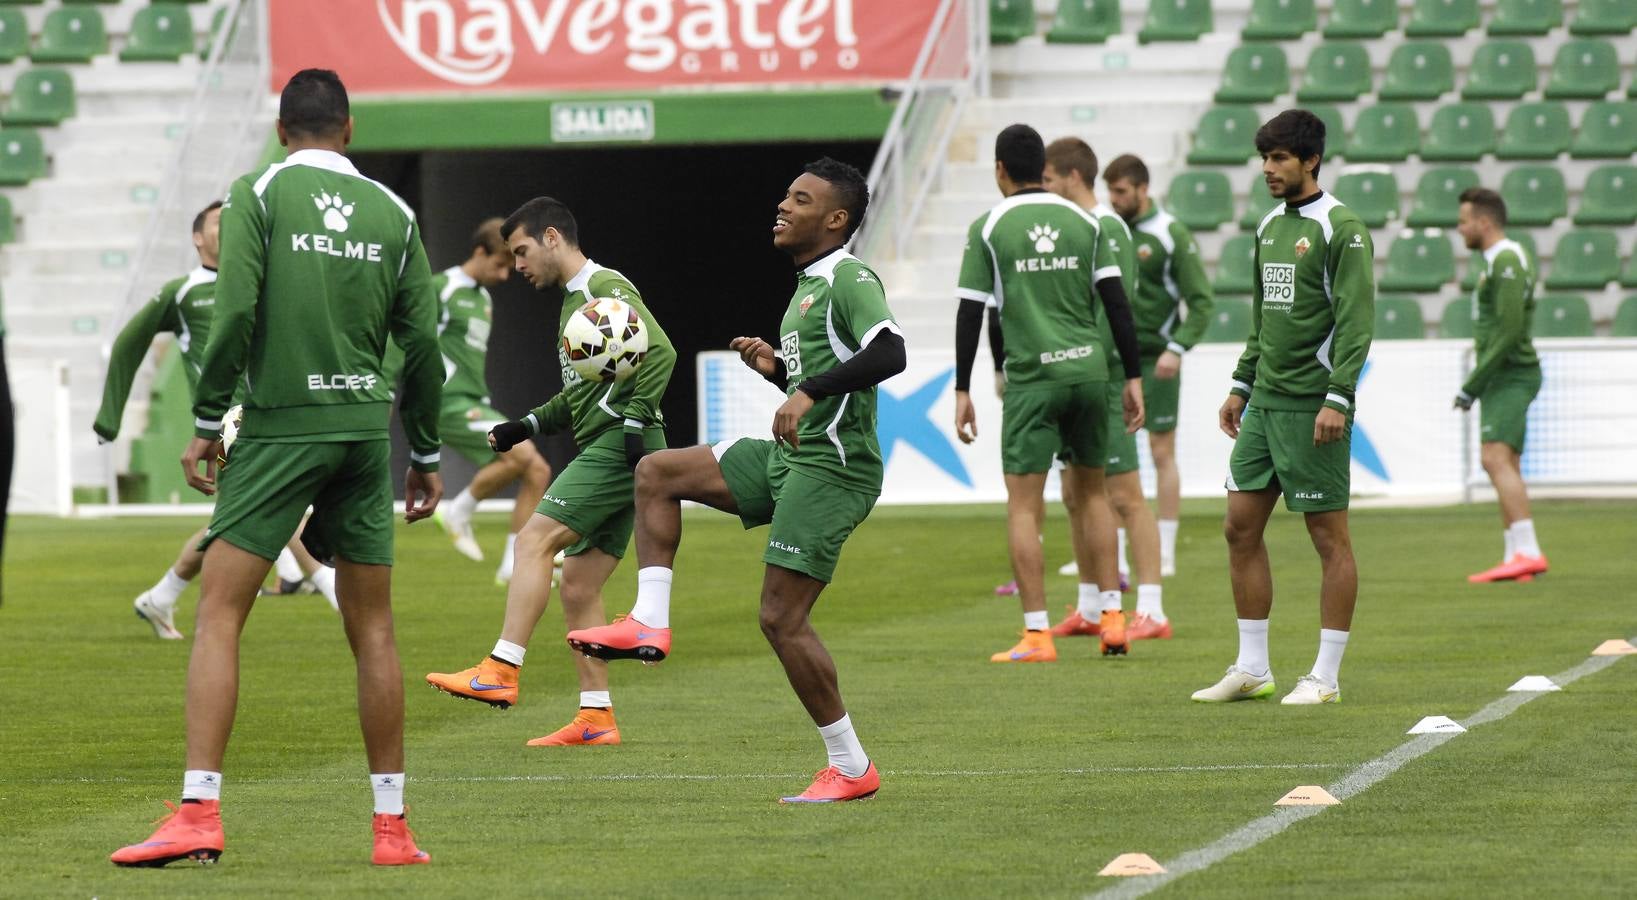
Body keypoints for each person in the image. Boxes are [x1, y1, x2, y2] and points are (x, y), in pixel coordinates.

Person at [111, 68, 443, 867]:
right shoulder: (395, 213)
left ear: (283, 128)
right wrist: (425, 451)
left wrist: (204, 421)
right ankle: (392, 831)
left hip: (281, 426)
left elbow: (236, 312)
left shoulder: (256, 193)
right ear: (349, 128)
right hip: (365, 435)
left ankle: (198, 813)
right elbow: (424, 343)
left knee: (221, 611)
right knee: (374, 631)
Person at [565, 157, 904, 803]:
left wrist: (802, 398)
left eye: (800, 199)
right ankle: (648, 621)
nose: (783, 205)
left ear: (835, 219)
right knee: (657, 472)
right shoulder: (807, 287)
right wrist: (778, 372)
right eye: (785, 194)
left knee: (780, 619)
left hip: (833, 468)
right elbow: (824, 380)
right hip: (793, 458)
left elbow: (891, 351)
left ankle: (851, 766)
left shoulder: (847, 277)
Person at [424, 197, 676, 747]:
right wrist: (528, 424)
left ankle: (501, 668)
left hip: (617, 446)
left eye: (521, 252)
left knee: (534, 539)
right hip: (614, 442)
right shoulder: (571, 304)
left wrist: (633, 422)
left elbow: (662, 353)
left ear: (553, 237)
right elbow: (581, 392)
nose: (516, 266)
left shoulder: (601, 287)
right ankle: (595, 716)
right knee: (580, 584)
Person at [1191, 109, 1374, 706]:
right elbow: (1263, 319)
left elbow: (1355, 323)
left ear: (1311, 160)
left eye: (1279, 159)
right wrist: (1241, 384)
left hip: (1313, 406)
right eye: (1264, 159)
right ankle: (1252, 667)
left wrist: (1338, 396)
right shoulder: (1270, 225)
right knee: (1238, 527)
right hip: (1265, 406)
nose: (1267, 170)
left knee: (1329, 539)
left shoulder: (1341, 228)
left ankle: (1325, 676)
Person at [95, 203, 340, 638]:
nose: (229, 229)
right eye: (217, 222)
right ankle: (332, 587)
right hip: (226, 422)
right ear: (197, 238)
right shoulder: (183, 291)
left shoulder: (263, 283)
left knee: (237, 519)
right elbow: (129, 343)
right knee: (277, 504)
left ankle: (161, 596)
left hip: (277, 411)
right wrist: (109, 418)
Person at [952, 124, 1144, 664]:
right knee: (1093, 496)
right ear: (1042, 169)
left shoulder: (989, 226)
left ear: (999, 171)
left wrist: (963, 386)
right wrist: (1131, 377)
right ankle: (1113, 620)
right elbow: (1117, 305)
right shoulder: (1086, 221)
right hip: (1089, 374)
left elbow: (973, 309)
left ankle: (1037, 634)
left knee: (1023, 505)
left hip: (1033, 381)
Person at [1040, 137, 1171, 642]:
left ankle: (1153, 609)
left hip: (1105, 374)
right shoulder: (1076, 227)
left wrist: (1096, 365)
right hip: (1076, 373)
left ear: (1072, 176)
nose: (1044, 189)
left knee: (1125, 494)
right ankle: (1092, 605)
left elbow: (1115, 304)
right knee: (1076, 492)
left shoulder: (1107, 227)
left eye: (1049, 180)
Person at [1104, 153, 1216, 577]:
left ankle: (1164, 551)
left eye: (1120, 191)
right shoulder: (1108, 230)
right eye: (1109, 191)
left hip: (1157, 360)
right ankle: (1112, 557)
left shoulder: (1170, 234)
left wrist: (1178, 348)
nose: (1113, 199)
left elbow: (1202, 303)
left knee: (1160, 451)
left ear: (1142, 189)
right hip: (1114, 362)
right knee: (1111, 456)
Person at [427, 218, 553, 584]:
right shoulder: (442, 287)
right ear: (479, 252)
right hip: (447, 402)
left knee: (536, 470)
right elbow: (408, 342)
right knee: (525, 454)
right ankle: (460, 510)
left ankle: (512, 567)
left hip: (473, 399)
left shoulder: (482, 299)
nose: (505, 274)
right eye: (500, 264)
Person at [1453, 188, 1546, 583]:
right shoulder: (1502, 259)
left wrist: (1471, 385)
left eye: (1463, 222)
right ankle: (1515, 555)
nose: (1460, 230)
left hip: (1510, 374)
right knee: (1503, 461)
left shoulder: (1506, 261)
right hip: (1503, 375)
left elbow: (1508, 333)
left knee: (1494, 459)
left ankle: (1528, 551)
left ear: (1483, 222)